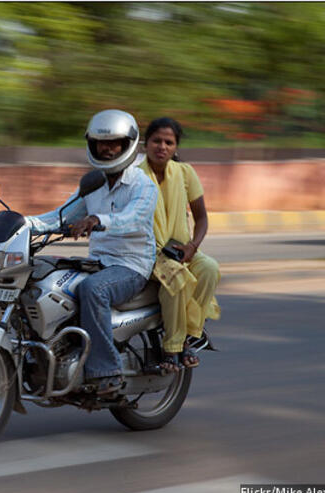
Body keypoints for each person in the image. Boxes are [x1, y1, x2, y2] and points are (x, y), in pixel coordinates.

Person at [27, 110, 158, 395]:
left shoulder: (143, 186)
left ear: (128, 145)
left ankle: (106, 372)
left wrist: (98, 220)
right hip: (98, 262)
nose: (107, 148)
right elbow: (60, 216)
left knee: (92, 290)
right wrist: (22, 224)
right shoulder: (93, 183)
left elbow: (133, 218)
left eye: (115, 143)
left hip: (131, 266)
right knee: (38, 275)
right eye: (101, 143)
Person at [138, 117, 221, 372]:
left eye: (168, 142)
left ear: (175, 147)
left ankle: (189, 335)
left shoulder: (185, 173)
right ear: (145, 144)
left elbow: (202, 218)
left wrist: (192, 247)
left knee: (209, 268)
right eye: (156, 141)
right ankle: (171, 348)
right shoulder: (135, 177)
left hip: (180, 249)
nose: (162, 146)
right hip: (147, 253)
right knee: (176, 278)